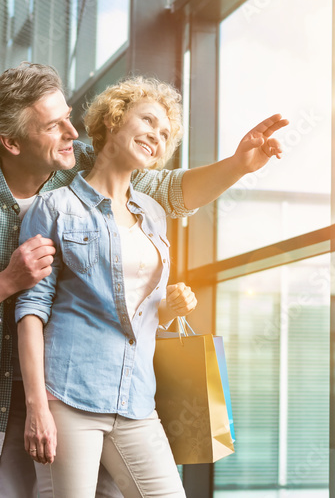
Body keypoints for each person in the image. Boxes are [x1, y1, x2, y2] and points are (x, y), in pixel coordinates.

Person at [0, 62, 287, 497]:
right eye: (55, 125)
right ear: (11, 142)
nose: (73, 132)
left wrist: (238, 166)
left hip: (94, 384)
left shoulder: (81, 162)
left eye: (68, 116)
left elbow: (168, 192)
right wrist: (9, 279)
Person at [16, 77, 217, 496]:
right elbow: (31, 310)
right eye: (148, 121)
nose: (157, 137)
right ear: (114, 118)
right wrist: (38, 407)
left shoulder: (153, 214)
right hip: (70, 396)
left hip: (137, 398)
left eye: (166, 134)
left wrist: (170, 307)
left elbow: (136, 311)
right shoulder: (55, 207)